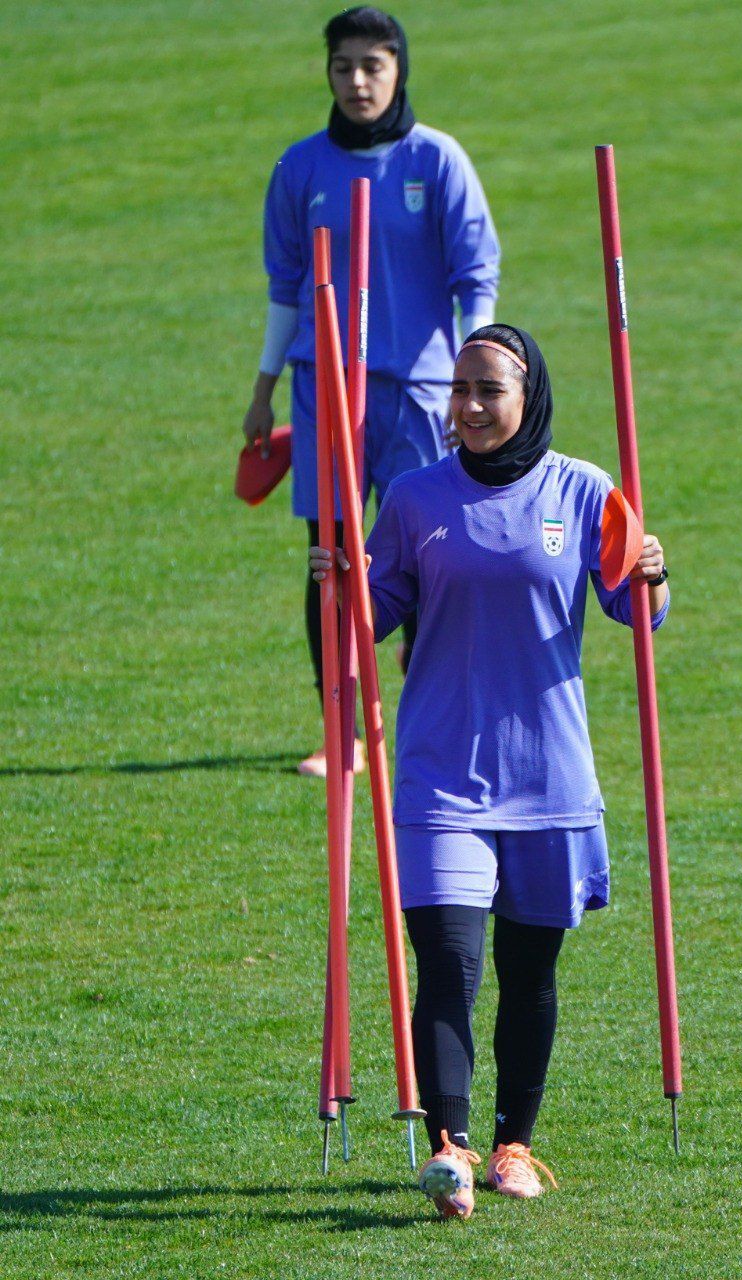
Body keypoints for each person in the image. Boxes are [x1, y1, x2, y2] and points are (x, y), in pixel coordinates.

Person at [311, 324, 670, 1220]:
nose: (468, 406)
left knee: (529, 972)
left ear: (528, 395)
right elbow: (367, 624)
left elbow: (636, 611)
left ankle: (514, 1144)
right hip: (441, 775)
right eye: (459, 390)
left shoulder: (584, 491)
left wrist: (654, 572)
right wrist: (337, 584)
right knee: (448, 963)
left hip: (550, 779)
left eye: (488, 390)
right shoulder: (412, 497)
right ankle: (452, 1149)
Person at [243, 6, 500, 777]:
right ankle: (343, 734)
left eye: (372, 66)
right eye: (342, 67)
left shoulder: (438, 160)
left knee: (428, 556)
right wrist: (263, 389)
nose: (357, 81)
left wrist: (468, 380)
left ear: (398, 70)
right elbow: (284, 287)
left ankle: (425, 722)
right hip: (323, 389)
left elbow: (475, 279)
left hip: (421, 392)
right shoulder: (299, 168)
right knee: (330, 556)